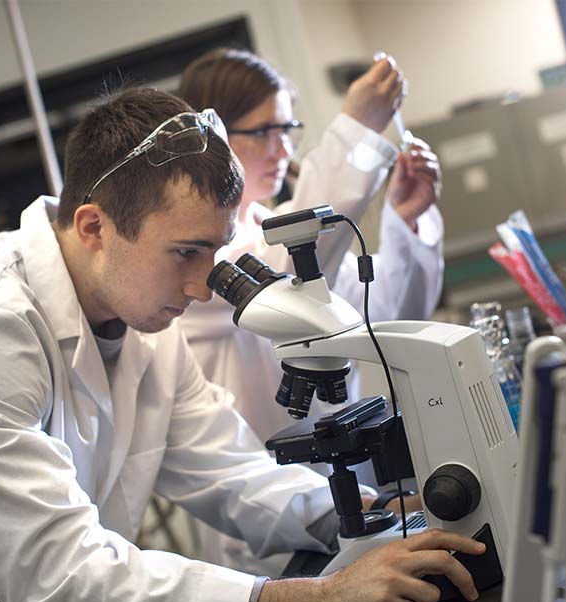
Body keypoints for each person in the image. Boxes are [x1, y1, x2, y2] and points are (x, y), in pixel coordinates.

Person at [0, 86, 483, 602]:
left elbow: (229, 471)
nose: (202, 284)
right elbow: (63, 580)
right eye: (185, 252)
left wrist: (373, 510)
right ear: (94, 228)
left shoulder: (139, 315)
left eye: (214, 252)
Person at [178, 48, 443, 574]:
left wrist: (404, 221)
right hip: (268, 540)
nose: (282, 148)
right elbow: (275, 275)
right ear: (211, 140)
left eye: (288, 128)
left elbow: (379, 318)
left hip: (358, 496)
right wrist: (356, 131)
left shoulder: (277, 228)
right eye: (263, 131)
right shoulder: (200, 252)